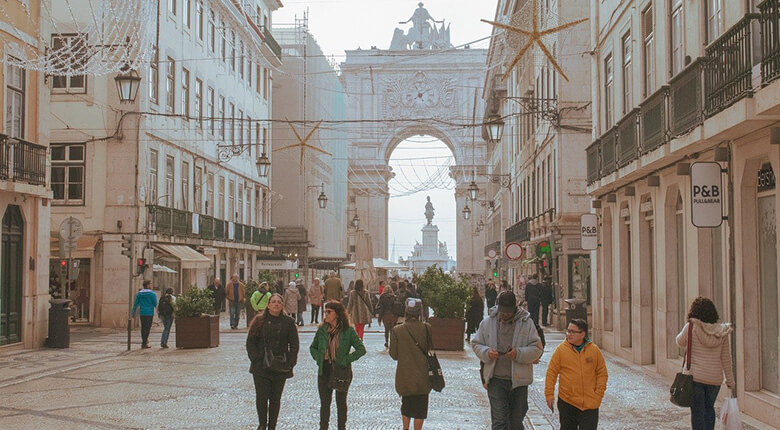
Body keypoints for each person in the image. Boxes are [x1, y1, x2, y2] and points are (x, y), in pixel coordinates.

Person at [471, 291, 543, 429]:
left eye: (509, 312)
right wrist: (487, 352)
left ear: (515, 307)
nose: (505, 315)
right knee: (499, 421)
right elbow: (476, 343)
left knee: (516, 423)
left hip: (519, 381)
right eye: (503, 311)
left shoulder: (526, 323)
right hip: (496, 379)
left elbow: (537, 349)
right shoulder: (487, 323)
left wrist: (518, 353)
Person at [676, 297, 734, 430]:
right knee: (709, 409)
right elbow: (726, 358)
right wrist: (730, 381)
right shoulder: (722, 331)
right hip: (714, 380)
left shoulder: (691, 327)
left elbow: (679, 342)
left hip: (695, 378)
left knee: (697, 411)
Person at [310, 300, 367, 430]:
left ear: (337, 313)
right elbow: (312, 347)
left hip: (341, 369)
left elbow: (361, 349)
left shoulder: (348, 331)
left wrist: (346, 359)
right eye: (325, 312)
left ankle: (342, 427)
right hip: (324, 369)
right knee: (325, 403)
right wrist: (318, 357)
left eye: (329, 312)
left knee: (341, 402)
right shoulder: (322, 330)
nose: (326, 314)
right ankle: (323, 427)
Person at [246, 294, 299, 430]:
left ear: (282, 305)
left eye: (279, 302)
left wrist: (291, 362)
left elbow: (294, 344)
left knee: (275, 399)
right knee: (262, 397)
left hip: (280, 366)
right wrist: (256, 358)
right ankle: (262, 424)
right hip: (261, 367)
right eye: (273, 302)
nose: (276, 304)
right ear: (268, 305)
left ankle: (272, 426)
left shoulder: (289, 322)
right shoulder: (259, 321)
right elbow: (250, 342)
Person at [545, 318, 608, 430]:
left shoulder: (594, 350)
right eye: (568, 331)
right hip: (568, 402)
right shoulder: (561, 350)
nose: (569, 334)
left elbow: (602, 373)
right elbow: (551, 373)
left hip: (590, 403)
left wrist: (598, 394)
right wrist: (549, 394)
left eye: (572, 332)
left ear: (582, 334)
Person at [390, 298, 433, 430]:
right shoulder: (427, 328)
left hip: (405, 374)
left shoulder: (397, 330)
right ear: (420, 312)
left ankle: (405, 428)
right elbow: (430, 350)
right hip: (423, 375)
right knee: (421, 406)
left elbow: (394, 355)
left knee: (406, 404)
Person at [131, 280, 158, 349]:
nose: (151, 285)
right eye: (150, 284)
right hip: (149, 313)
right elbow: (155, 304)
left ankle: (144, 341)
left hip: (142, 312)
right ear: (148, 285)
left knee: (143, 327)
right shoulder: (152, 294)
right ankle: (144, 342)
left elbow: (135, 304)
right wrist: (159, 312)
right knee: (147, 328)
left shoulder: (139, 294)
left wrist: (133, 313)